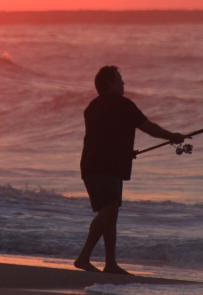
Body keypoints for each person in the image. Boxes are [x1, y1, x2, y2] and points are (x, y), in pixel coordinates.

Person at [74, 65, 188, 275]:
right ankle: (83, 258)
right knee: (108, 210)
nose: (123, 83)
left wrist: (125, 152)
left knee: (111, 213)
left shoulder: (92, 106)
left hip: (95, 164)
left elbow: (105, 135)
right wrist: (173, 136)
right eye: (119, 79)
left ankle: (110, 263)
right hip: (103, 166)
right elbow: (149, 127)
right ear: (109, 83)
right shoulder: (123, 105)